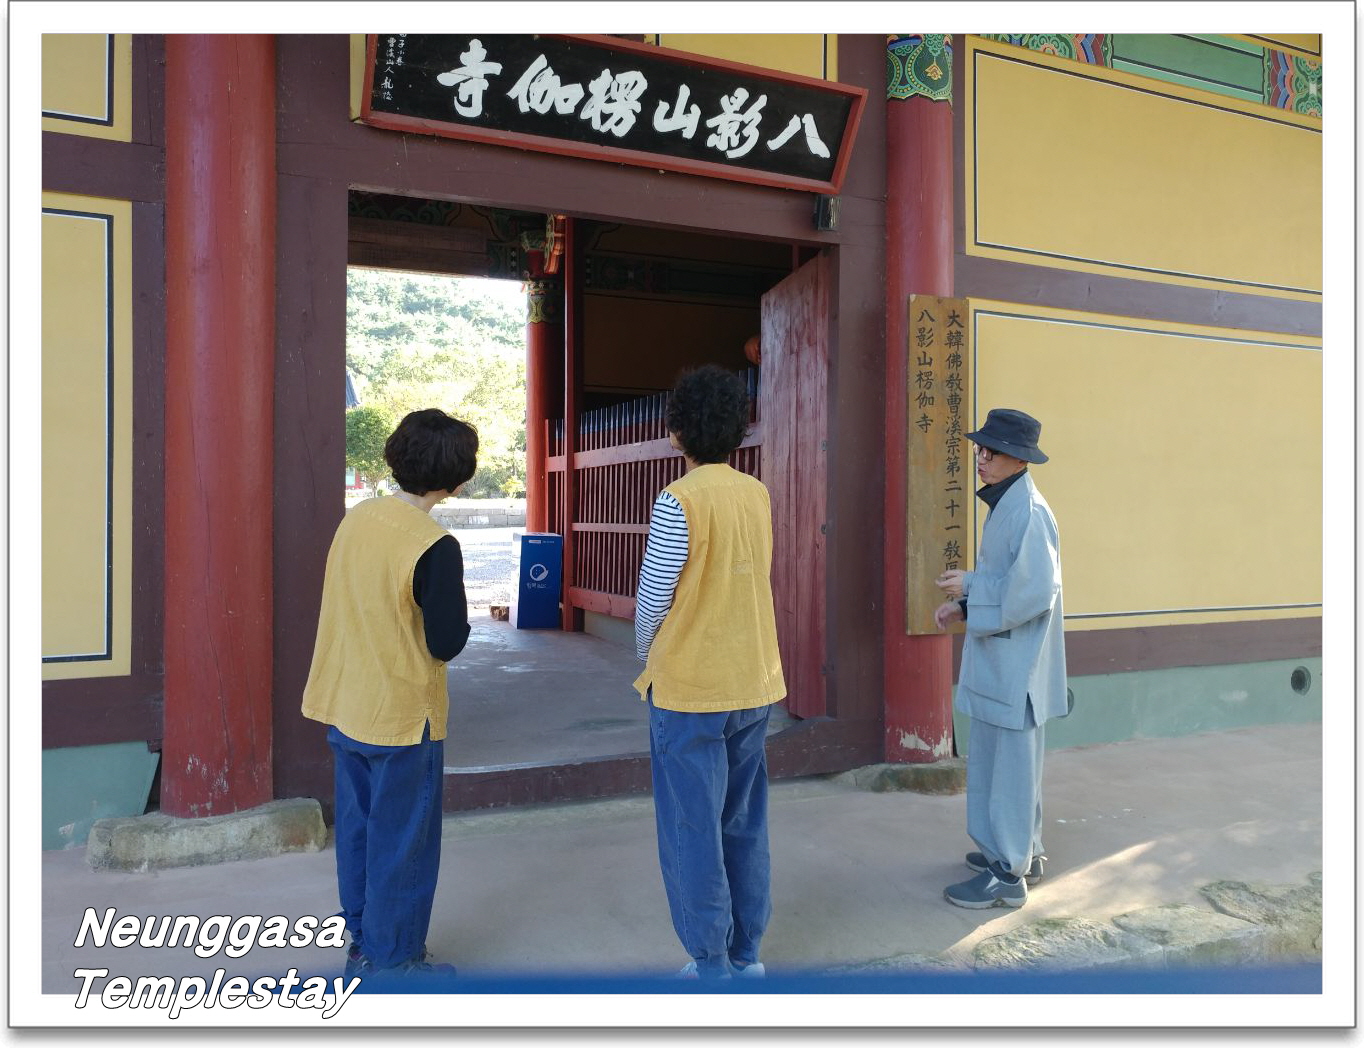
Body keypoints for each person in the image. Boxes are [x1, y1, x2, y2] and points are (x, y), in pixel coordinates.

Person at [301, 408, 479, 980]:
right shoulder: (434, 544)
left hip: (346, 701)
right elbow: (445, 641)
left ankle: (362, 943)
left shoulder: (357, 519)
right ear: (457, 479)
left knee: (358, 832)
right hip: (402, 715)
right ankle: (396, 962)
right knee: (404, 844)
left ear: (396, 458)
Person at [633, 364, 787, 980]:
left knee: (691, 826)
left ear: (677, 432)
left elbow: (654, 597)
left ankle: (710, 962)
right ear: (737, 429)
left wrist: (645, 653)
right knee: (743, 821)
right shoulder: (756, 493)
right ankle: (747, 953)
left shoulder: (679, 499)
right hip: (752, 678)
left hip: (691, 688)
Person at [933, 408, 1067, 909]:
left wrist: (971, 585)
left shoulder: (1028, 511)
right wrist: (966, 603)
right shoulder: (1010, 503)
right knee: (1007, 765)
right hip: (1007, 662)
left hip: (1018, 668)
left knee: (1008, 770)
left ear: (1019, 458)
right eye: (980, 448)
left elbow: (1033, 592)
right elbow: (1011, 582)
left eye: (991, 451)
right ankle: (1021, 853)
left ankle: (1007, 874)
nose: (981, 458)